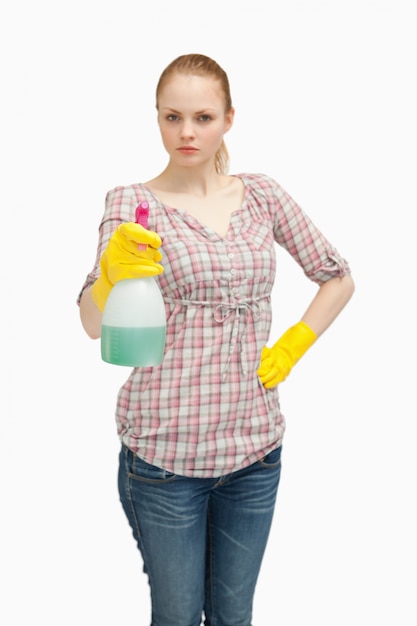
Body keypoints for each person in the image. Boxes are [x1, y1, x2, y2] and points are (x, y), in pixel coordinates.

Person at [77, 53, 354, 626]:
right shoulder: (133, 206)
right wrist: (109, 274)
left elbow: (337, 275)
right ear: (156, 119)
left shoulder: (262, 196)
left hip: (254, 451)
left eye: (202, 117)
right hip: (164, 457)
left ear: (229, 118)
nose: (186, 132)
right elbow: (92, 323)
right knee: (177, 617)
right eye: (171, 117)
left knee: (233, 615)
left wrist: (295, 343)